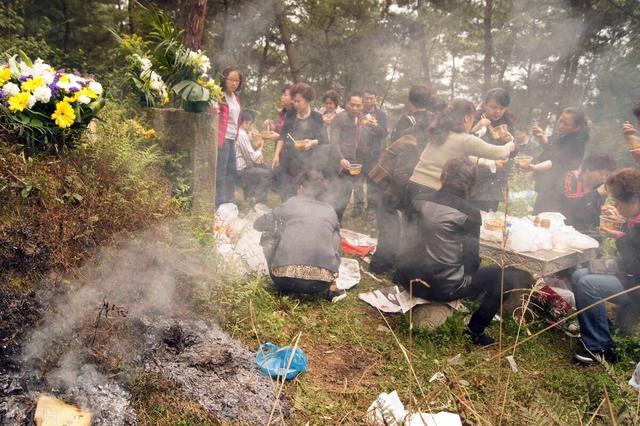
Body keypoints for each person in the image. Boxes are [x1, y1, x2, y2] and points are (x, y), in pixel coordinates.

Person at [395, 158, 529, 345]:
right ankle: (475, 330)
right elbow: (471, 261)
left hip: (406, 277)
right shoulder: (470, 213)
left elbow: (407, 239)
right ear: (471, 183)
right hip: (440, 288)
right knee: (505, 277)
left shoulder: (419, 199)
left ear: (443, 176)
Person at [571, 168, 640, 365]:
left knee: (588, 284)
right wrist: (623, 225)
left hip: (636, 284)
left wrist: (618, 235)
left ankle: (600, 348)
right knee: (578, 276)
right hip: (630, 274)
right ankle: (600, 328)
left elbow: (634, 260)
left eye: (618, 202)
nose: (616, 206)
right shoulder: (635, 217)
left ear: (634, 201)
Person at [253, 170, 345, 302]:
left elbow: (259, 224)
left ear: (301, 188)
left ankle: (282, 268)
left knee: (271, 229)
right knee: (335, 235)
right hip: (320, 285)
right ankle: (332, 285)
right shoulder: (330, 211)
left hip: (284, 281)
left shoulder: (291, 203)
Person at [408, 99, 516, 207]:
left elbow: (451, 156)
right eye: (473, 119)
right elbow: (498, 153)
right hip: (432, 192)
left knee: (412, 223)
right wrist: (510, 144)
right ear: (467, 118)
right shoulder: (465, 140)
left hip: (414, 186)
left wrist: (484, 162)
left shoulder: (440, 133)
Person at [367, 120, 429, 274]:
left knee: (392, 225)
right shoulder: (411, 145)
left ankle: (389, 260)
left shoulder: (409, 139)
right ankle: (379, 265)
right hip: (384, 187)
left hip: (384, 186)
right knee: (390, 227)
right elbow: (401, 174)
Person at [527, 107, 589, 214]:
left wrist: (533, 167)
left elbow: (555, 162)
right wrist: (541, 137)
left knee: (546, 217)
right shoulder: (562, 133)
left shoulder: (575, 143)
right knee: (538, 215)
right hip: (547, 185)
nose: (560, 125)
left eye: (566, 124)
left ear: (576, 127)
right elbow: (550, 147)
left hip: (558, 189)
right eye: (560, 121)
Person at [273, 83, 328, 200]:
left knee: (312, 191)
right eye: (294, 101)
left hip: (310, 160)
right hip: (290, 159)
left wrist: (312, 142)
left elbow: (323, 139)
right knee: (287, 191)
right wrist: (276, 155)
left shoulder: (316, 117)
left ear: (307, 101)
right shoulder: (291, 114)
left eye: (299, 101)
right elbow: (283, 135)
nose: (295, 104)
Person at [468, 88, 517, 212]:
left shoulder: (506, 123)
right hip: (471, 177)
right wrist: (476, 128)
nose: (498, 111)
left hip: (494, 182)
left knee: (487, 219)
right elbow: (463, 145)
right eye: (493, 107)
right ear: (485, 104)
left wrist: (510, 141)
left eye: (502, 108)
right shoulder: (473, 118)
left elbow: (514, 151)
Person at [351, 89, 389, 217]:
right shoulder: (357, 112)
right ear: (363, 98)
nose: (368, 100)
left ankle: (371, 210)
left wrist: (375, 125)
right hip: (358, 152)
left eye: (371, 98)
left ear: (375, 99)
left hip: (373, 154)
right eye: (366, 98)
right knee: (357, 181)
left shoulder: (381, 114)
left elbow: (384, 133)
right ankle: (358, 207)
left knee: (372, 182)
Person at [330, 92, 366, 221]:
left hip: (355, 163)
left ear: (362, 106)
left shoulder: (362, 118)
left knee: (346, 195)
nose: (355, 108)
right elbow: (334, 141)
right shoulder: (339, 118)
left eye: (358, 105)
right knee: (335, 194)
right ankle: (329, 220)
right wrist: (340, 158)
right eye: (352, 105)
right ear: (346, 104)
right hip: (339, 162)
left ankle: (337, 221)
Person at [559, 153, 616, 232]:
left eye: (607, 176)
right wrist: (596, 193)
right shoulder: (571, 177)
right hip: (563, 225)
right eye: (600, 173)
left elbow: (594, 214)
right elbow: (568, 205)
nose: (603, 179)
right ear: (588, 169)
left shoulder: (600, 186)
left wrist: (604, 214)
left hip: (584, 229)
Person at [216, 66, 243, 207]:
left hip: (232, 138)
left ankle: (230, 203)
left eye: (237, 80)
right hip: (222, 138)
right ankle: (218, 204)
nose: (234, 83)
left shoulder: (235, 98)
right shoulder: (219, 95)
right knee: (221, 172)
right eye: (231, 79)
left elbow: (237, 119)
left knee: (232, 171)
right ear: (224, 79)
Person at [235, 111, 271, 204]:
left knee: (265, 166)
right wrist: (261, 146)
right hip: (240, 170)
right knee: (266, 173)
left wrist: (252, 139)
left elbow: (250, 153)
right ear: (245, 123)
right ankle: (260, 201)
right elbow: (252, 157)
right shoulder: (241, 134)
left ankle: (250, 197)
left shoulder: (242, 133)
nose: (251, 127)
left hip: (243, 166)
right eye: (250, 124)